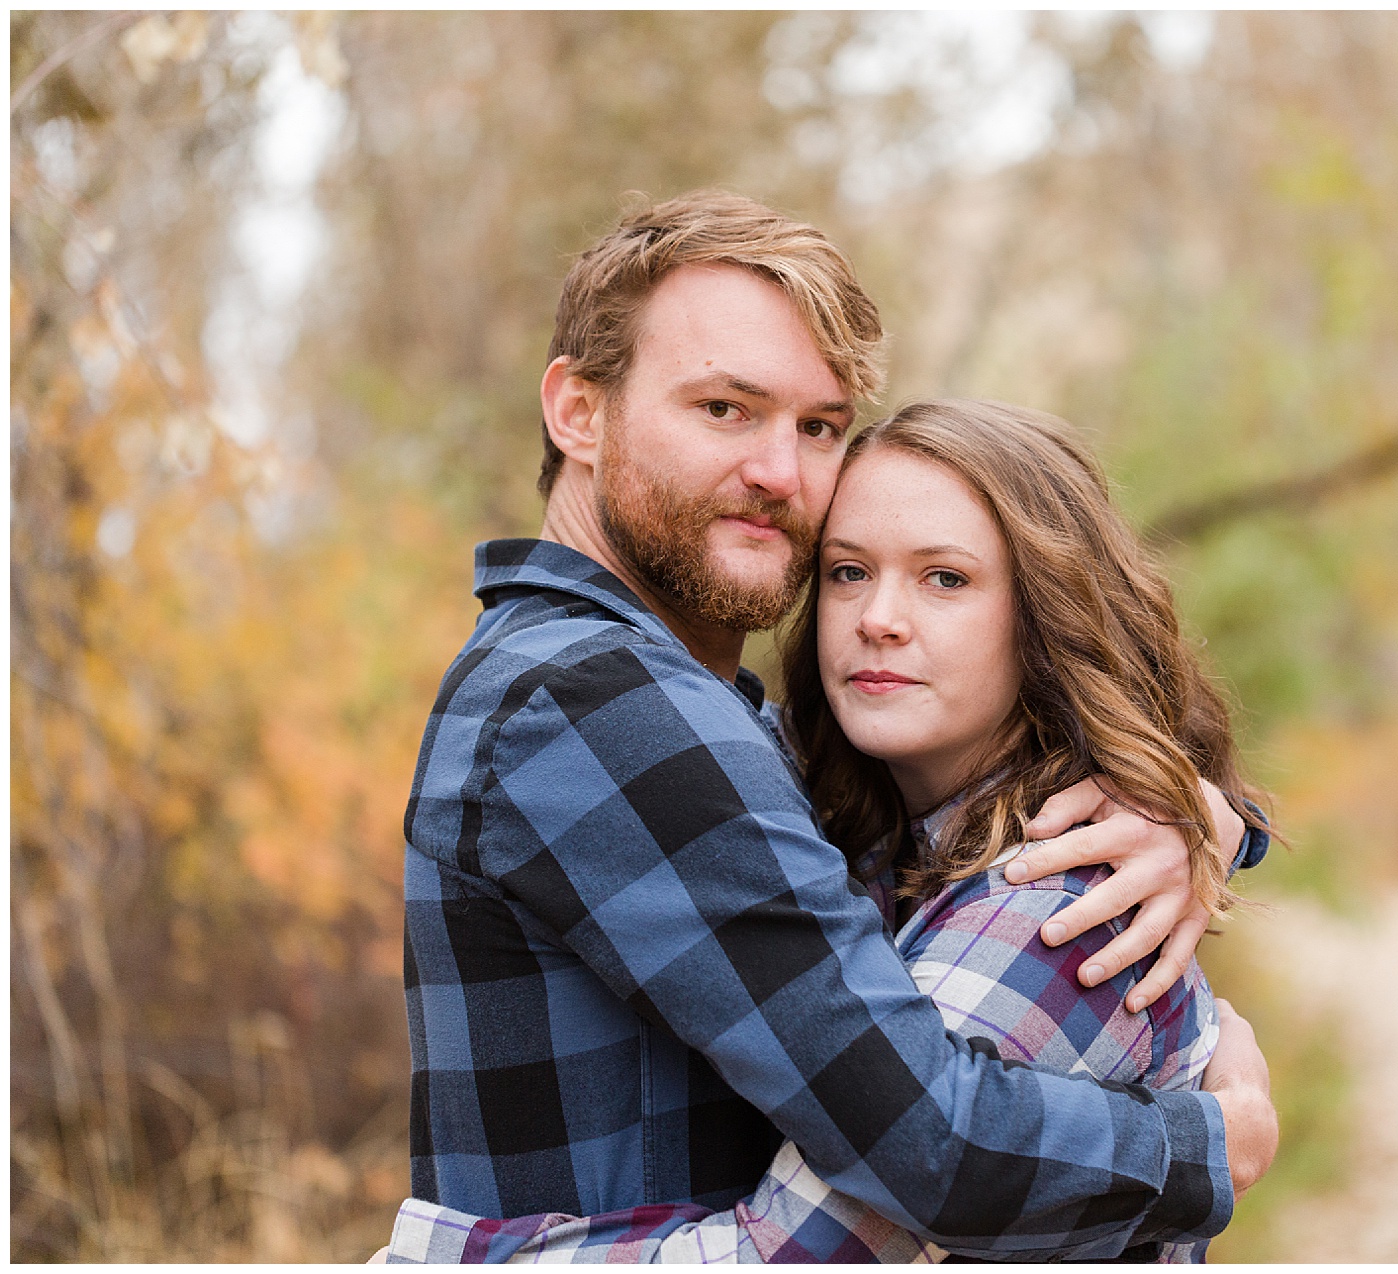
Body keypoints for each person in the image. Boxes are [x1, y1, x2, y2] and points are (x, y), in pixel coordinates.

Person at [398, 192, 1279, 1261]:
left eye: (817, 426)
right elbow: (931, 1137)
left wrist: (1196, 813)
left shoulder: (702, 714)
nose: (781, 473)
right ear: (577, 411)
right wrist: (1205, 1147)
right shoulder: (600, 698)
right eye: (725, 408)